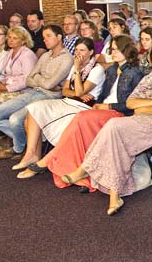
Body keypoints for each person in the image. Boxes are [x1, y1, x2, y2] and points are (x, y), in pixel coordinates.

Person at [59, 43, 152, 214]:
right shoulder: (150, 78)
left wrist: (143, 106)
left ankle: (85, 169)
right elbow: (130, 103)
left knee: (114, 127)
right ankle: (114, 196)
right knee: (115, 136)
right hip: (139, 119)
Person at [34, 35, 144, 190]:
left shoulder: (135, 72)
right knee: (80, 125)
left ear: (127, 50)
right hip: (103, 109)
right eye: (112, 49)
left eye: (118, 49)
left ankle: (51, 159)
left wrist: (108, 107)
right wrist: (96, 101)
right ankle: (82, 170)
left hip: (119, 113)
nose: (113, 52)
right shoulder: (112, 69)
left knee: (81, 119)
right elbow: (104, 94)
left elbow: (132, 105)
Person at [13, 37, 106, 175]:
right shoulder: (75, 66)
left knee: (40, 116)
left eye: (82, 50)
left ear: (91, 52)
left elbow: (79, 90)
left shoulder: (96, 70)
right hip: (68, 101)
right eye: (76, 49)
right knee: (34, 108)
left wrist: (78, 72)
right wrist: (77, 92)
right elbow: (65, 91)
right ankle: (31, 154)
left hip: (82, 107)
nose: (78, 53)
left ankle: (41, 158)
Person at [0, 24, 74, 160]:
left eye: (48, 36)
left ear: (59, 37)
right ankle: (27, 140)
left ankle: (18, 148)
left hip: (49, 97)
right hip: (33, 91)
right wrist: (42, 80)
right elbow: (30, 79)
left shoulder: (67, 58)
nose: (45, 40)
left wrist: (39, 79)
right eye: (43, 37)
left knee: (14, 119)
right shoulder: (45, 55)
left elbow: (48, 84)